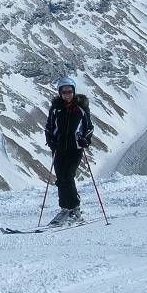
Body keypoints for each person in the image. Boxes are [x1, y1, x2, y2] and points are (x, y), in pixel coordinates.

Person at [44, 77, 94, 225]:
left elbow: (89, 127)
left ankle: (75, 209)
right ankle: (65, 208)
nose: (67, 94)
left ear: (73, 91)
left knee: (68, 176)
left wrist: (85, 139)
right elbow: (49, 127)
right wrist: (51, 141)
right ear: (60, 92)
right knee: (60, 178)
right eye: (64, 91)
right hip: (59, 149)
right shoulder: (55, 109)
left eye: (70, 91)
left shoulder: (80, 108)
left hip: (75, 148)